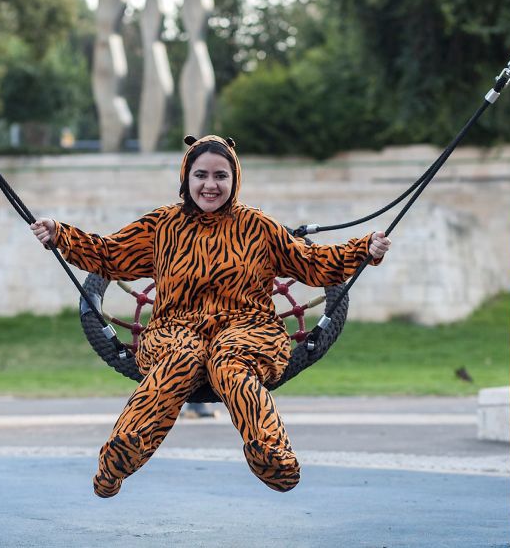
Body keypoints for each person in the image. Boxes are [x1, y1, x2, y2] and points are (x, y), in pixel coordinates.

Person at [31, 134, 390, 498]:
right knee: (180, 359)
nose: (210, 185)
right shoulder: (162, 226)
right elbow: (109, 254)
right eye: (201, 175)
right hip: (176, 328)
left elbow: (312, 264)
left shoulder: (258, 227)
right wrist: (59, 235)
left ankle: (271, 452)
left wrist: (365, 248)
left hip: (248, 327)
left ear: (235, 181)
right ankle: (121, 454)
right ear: (187, 178)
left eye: (221, 176)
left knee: (230, 362)